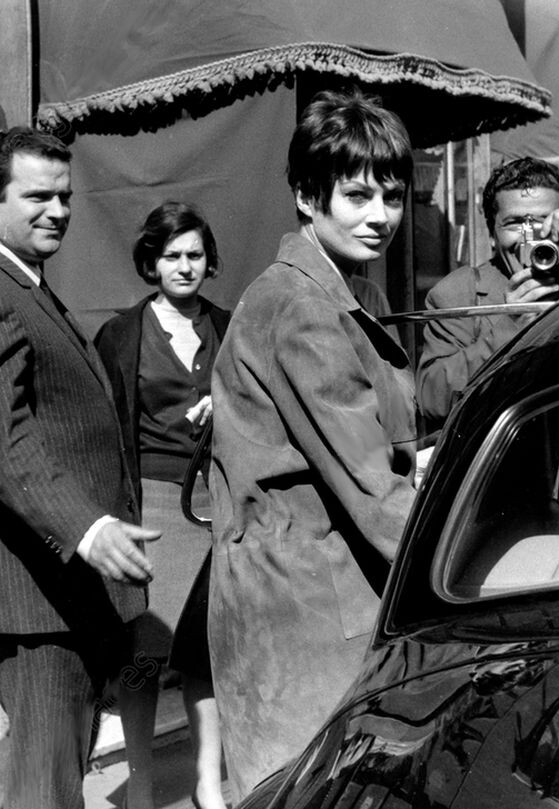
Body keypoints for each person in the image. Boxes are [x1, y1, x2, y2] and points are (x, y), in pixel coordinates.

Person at [207, 88, 417, 801]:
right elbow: (374, 487)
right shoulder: (303, 307)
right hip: (306, 616)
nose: (381, 215)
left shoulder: (322, 292)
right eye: (357, 195)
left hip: (304, 601)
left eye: (393, 196)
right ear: (305, 196)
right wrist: (458, 569)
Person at [0, 128, 161, 809]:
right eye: (38, 196)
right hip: (40, 601)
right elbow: (5, 442)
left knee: (57, 778)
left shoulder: (31, 286)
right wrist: (88, 529)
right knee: (43, 788)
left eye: (65, 197)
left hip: (65, 596)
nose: (58, 211)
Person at [95, 202, 230, 809]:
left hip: (216, 504)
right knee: (143, 658)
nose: (184, 266)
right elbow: (102, 430)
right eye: (171, 255)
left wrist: (228, 405)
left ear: (209, 261)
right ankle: (142, 783)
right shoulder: (122, 335)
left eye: (194, 255)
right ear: (151, 263)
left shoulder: (229, 327)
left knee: (206, 654)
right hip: (149, 508)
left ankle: (206, 783)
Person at [416, 156, 559, 427]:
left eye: (545, 220)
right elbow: (432, 400)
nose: (532, 236)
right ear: (492, 233)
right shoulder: (459, 292)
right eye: (515, 223)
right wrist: (509, 329)